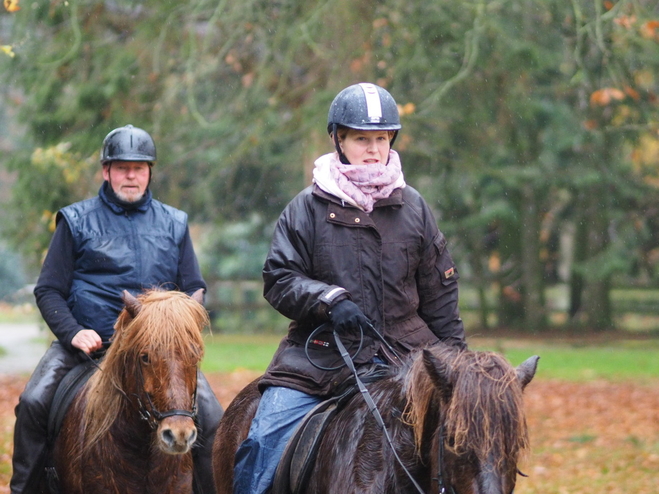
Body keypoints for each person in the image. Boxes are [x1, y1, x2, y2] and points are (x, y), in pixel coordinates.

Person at [233, 83, 467, 494]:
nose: (373, 149)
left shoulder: (414, 208)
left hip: (406, 357)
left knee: (467, 447)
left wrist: (457, 366)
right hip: (318, 357)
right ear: (338, 139)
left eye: (381, 138)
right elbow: (279, 279)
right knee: (262, 442)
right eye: (361, 139)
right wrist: (327, 300)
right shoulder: (305, 208)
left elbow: (440, 295)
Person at [10, 124, 223, 494]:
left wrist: (182, 318)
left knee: (214, 416)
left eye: (138, 168)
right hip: (88, 347)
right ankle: (25, 489)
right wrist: (74, 331)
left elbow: (194, 287)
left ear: (149, 172)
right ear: (106, 171)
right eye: (122, 167)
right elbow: (49, 289)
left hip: (159, 353)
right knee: (33, 402)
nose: (131, 175)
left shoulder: (174, 223)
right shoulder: (75, 221)